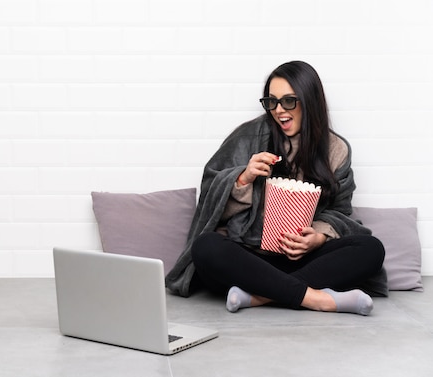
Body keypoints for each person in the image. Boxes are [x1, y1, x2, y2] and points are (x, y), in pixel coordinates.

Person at [165, 61, 387, 316]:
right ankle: (318, 299)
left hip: (300, 260)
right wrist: (242, 179)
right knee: (206, 248)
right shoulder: (247, 136)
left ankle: (259, 296)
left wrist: (318, 238)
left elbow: (341, 210)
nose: (279, 110)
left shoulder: (336, 149)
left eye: (289, 101)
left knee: (371, 249)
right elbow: (210, 197)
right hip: (249, 257)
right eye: (272, 102)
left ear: (310, 100)